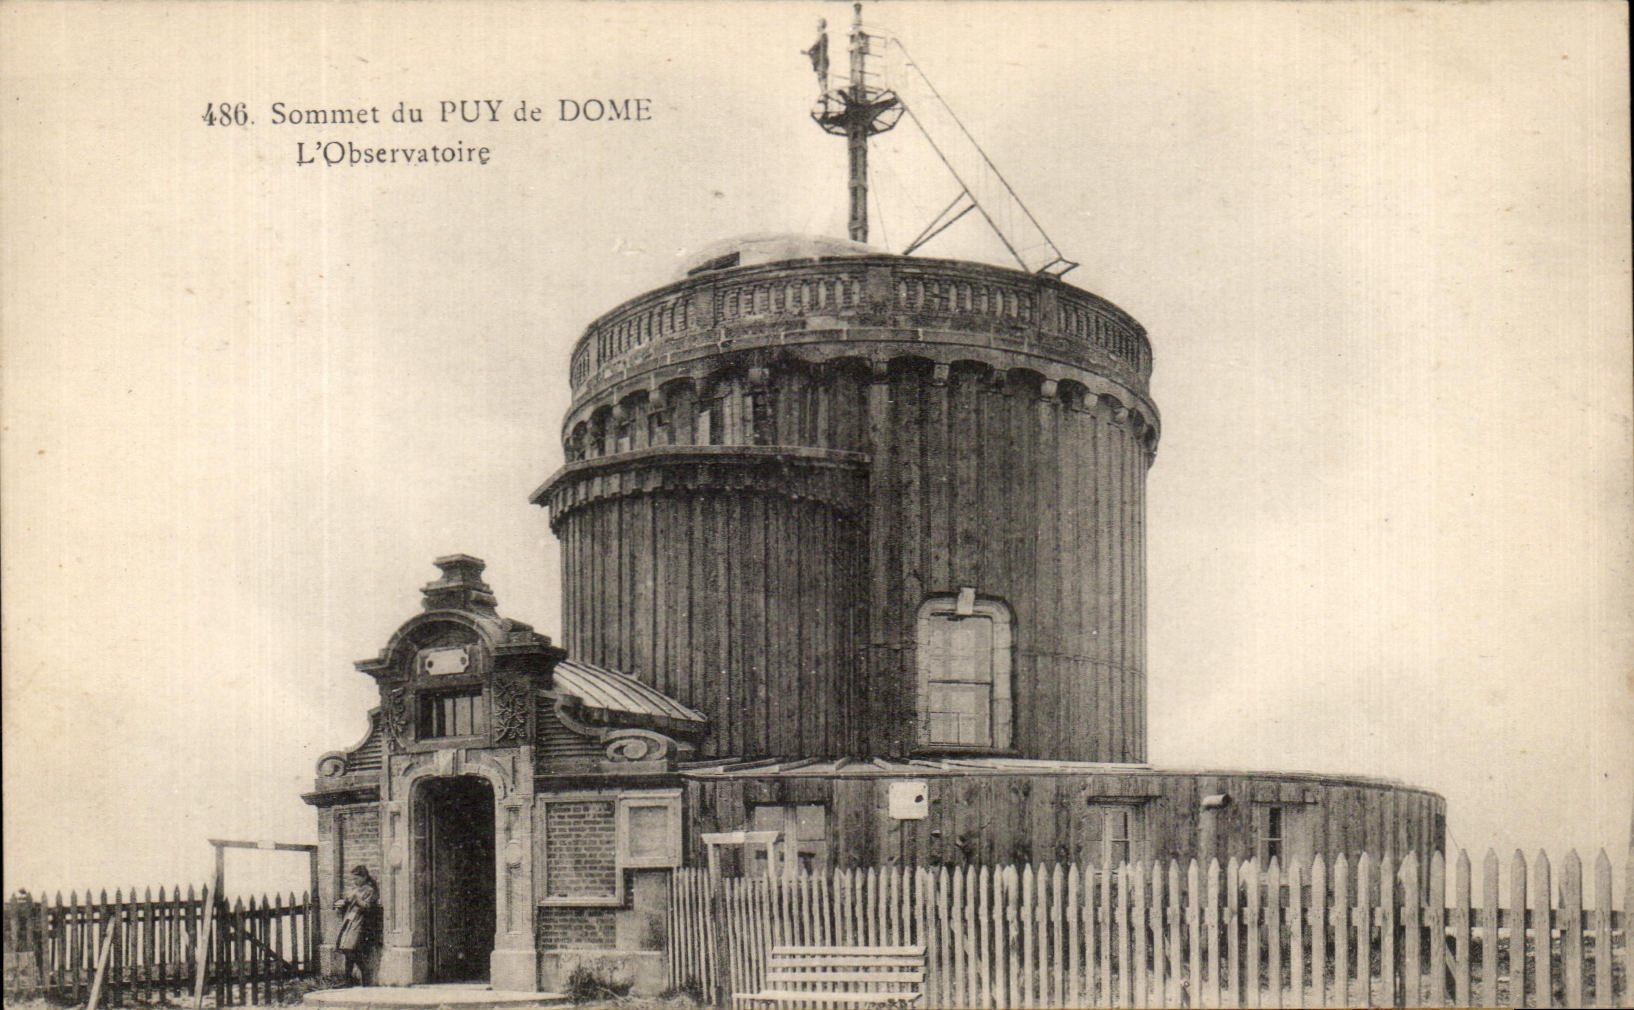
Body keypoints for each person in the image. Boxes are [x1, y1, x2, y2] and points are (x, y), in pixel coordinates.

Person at [334, 866, 379, 986]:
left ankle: (365, 975)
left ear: (364, 877)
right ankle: (348, 980)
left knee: (350, 949)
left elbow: (368, 907)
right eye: (353, 879)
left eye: (357, 879)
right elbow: (349, 902)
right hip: (350, 920)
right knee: (345, 949)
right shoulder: (355, 889)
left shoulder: (369, 890)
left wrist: (357, 900)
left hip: (360, 922)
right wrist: (345, 902)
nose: (355, 881)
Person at [802, 19, 830, 93]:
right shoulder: (821, 35)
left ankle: (824, 92)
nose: (816, 26)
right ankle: (824, 92)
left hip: (822, 59)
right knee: (821, 76)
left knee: (822, 76)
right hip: (820, 59)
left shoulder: (822, 34)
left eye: (818, 24)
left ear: (821, 25)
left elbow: (816, 45)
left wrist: (808, 51)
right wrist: (808, 52)